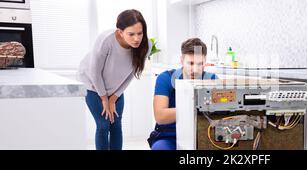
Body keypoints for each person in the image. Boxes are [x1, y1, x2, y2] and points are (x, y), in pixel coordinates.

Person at [78, 9, 150, 150]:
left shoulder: (145, 46)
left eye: (140, 33)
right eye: (131, 34)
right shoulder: (106, 40)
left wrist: (113, 98)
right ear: (120, 32)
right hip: (92, 85)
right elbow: (95, 72)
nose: (137, 39)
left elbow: (131, 73)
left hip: (115, 88)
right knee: (103, 125)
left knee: (116, 123)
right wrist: (104, 98)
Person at [148, 38, 218, 150]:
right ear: (181, 60)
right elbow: (160, 116)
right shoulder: (165, 78)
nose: (195, 69)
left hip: (201, 134)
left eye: (200, 64)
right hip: (169, 136)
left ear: (205, 62)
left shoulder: (212, 79)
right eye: (190, 63)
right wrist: (194, 109)